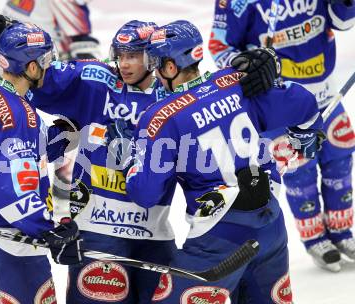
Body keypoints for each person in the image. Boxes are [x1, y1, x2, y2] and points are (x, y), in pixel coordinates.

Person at [0, 11, 278, 303]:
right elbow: (39, 70)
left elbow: (219, 92)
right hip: (98, 231)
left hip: (153, 231)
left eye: (134, 56)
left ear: (155, 58)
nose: (124, 64)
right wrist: (3, 32)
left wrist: (260, 67)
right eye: (121, 55)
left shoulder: (177, 92)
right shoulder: (96, 80)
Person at [109, 20, 324, 303]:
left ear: (171, 67)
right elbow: (306, 105)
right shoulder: (239, 82)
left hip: (220, 238)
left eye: (156, 62)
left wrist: (129, 158)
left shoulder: (159, 117)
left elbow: (146, 194)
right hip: (271, 225)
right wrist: (303, 140)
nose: (155, 71)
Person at [208, 0, 355, 272]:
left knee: (341, 161)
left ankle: (342, 231)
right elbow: (219, 45)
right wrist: (246, 67)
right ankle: (315, 238)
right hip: (281, 102)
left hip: (327, 93)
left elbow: (343, 21)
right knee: (300, 170)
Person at [0, 22, 82, 303]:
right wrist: (49, 229)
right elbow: (12, 191)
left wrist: (60, 138)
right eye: (45, 60)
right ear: (29, 67)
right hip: (15, 247)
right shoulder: (19, 117)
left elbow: (11, 157)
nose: (49, 67)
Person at [0, 0, 100, 205]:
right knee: (3, 117)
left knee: (7, 118)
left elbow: (80, 38)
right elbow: (79, 37)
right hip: (29, 62)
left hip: (31, 60)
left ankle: (61, 177)